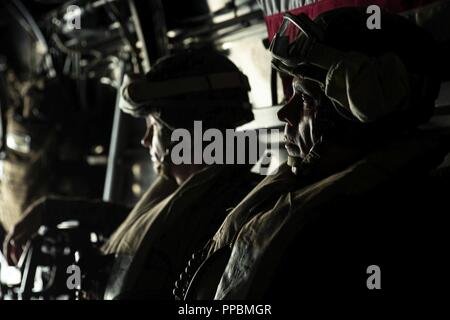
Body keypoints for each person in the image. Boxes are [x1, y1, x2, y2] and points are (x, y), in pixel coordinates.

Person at [179, 8, 449, 300]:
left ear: (362, 112)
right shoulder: (289, 198)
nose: (284, 113)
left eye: (306, 98)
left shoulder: (379, 227)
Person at [3, 49, 260, 299]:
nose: (146, 141)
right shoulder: (200, 191)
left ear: (186, 131)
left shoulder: (230, 215)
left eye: (154, 127)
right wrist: (51, 209)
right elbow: (139, 234)